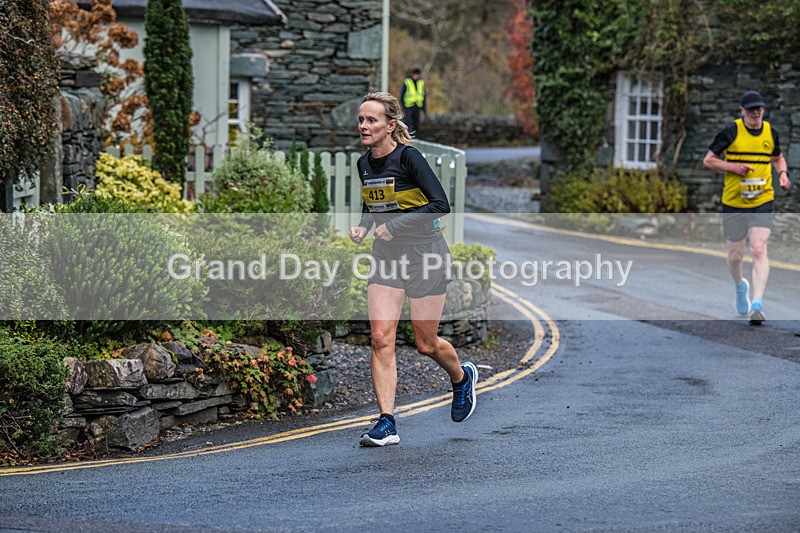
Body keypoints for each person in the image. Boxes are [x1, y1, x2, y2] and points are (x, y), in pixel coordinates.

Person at [348, 92, 477, 446]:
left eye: (371, 120)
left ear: (390, 126)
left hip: (426, 254)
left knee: (425, 343)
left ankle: (461, 377)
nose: (363, 126)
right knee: (380, 338)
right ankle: (386, 422)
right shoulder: (363, 164)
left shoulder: (410, 158)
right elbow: (373, 201)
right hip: (387, 256)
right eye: (360, 120)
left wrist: (397, 226)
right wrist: (364, 225)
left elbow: (440, 204)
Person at [703, 90, 792, 325]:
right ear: (742, 111)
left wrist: (782, 173)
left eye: (759, 109)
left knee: (759, 248)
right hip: (734, 202)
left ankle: (757, 304)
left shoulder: (770, 132)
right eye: (751, 109)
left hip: (762, 199)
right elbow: (708, 160)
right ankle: (740, 286)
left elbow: (777, 158)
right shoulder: (731, 132)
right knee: (735, 256)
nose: (756, 113)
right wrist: (733, 167)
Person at [400, 68, 425, 137]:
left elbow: (423, 95)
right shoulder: (407, 82)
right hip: (408, 106)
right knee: (408, 122)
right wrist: (403, 106)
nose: (416, 76)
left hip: (417, 106)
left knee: (416, 123)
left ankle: (416, 136)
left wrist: (423, 107)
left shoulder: (420, 83)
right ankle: (408, 136)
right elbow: (402, 94)